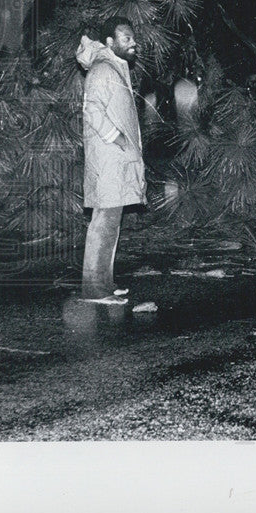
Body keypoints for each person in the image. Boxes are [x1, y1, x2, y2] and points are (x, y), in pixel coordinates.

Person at [75, 17, 146, 304]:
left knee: (110, 221)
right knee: (104, 222)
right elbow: (92, 111)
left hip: (114, 160)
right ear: (109, 42)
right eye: (126, 38)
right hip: (108, 160)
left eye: (132, 38)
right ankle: (94, 290)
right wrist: (117, 139)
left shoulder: (115, 69)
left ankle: (103, 283)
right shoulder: (103, 69)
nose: (133, 43)